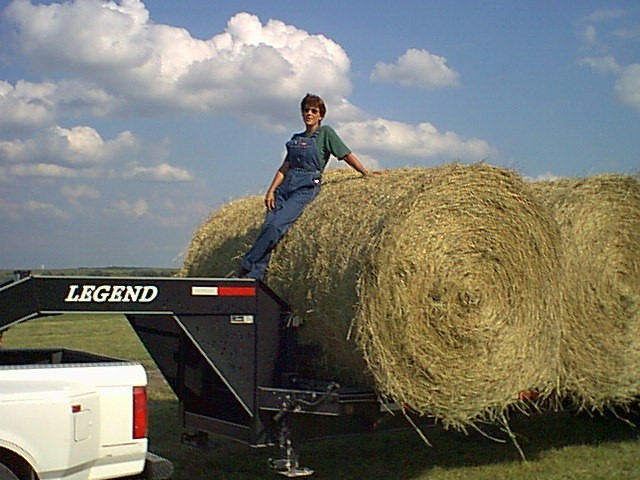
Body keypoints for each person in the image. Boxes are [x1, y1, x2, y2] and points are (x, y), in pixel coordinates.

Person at [239, 93, 373, 280]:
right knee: (267, 226)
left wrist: (366, 173)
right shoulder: (295, 138)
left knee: (277, 227)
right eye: (305, 110)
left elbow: (345, 154)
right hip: (285, 186)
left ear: (321, 115)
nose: (309, 113)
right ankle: (254, 277)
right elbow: (284, 168)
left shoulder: (326, 133)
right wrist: (271, 191)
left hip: (306, 187)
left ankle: (246, 264)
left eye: (313, 111)